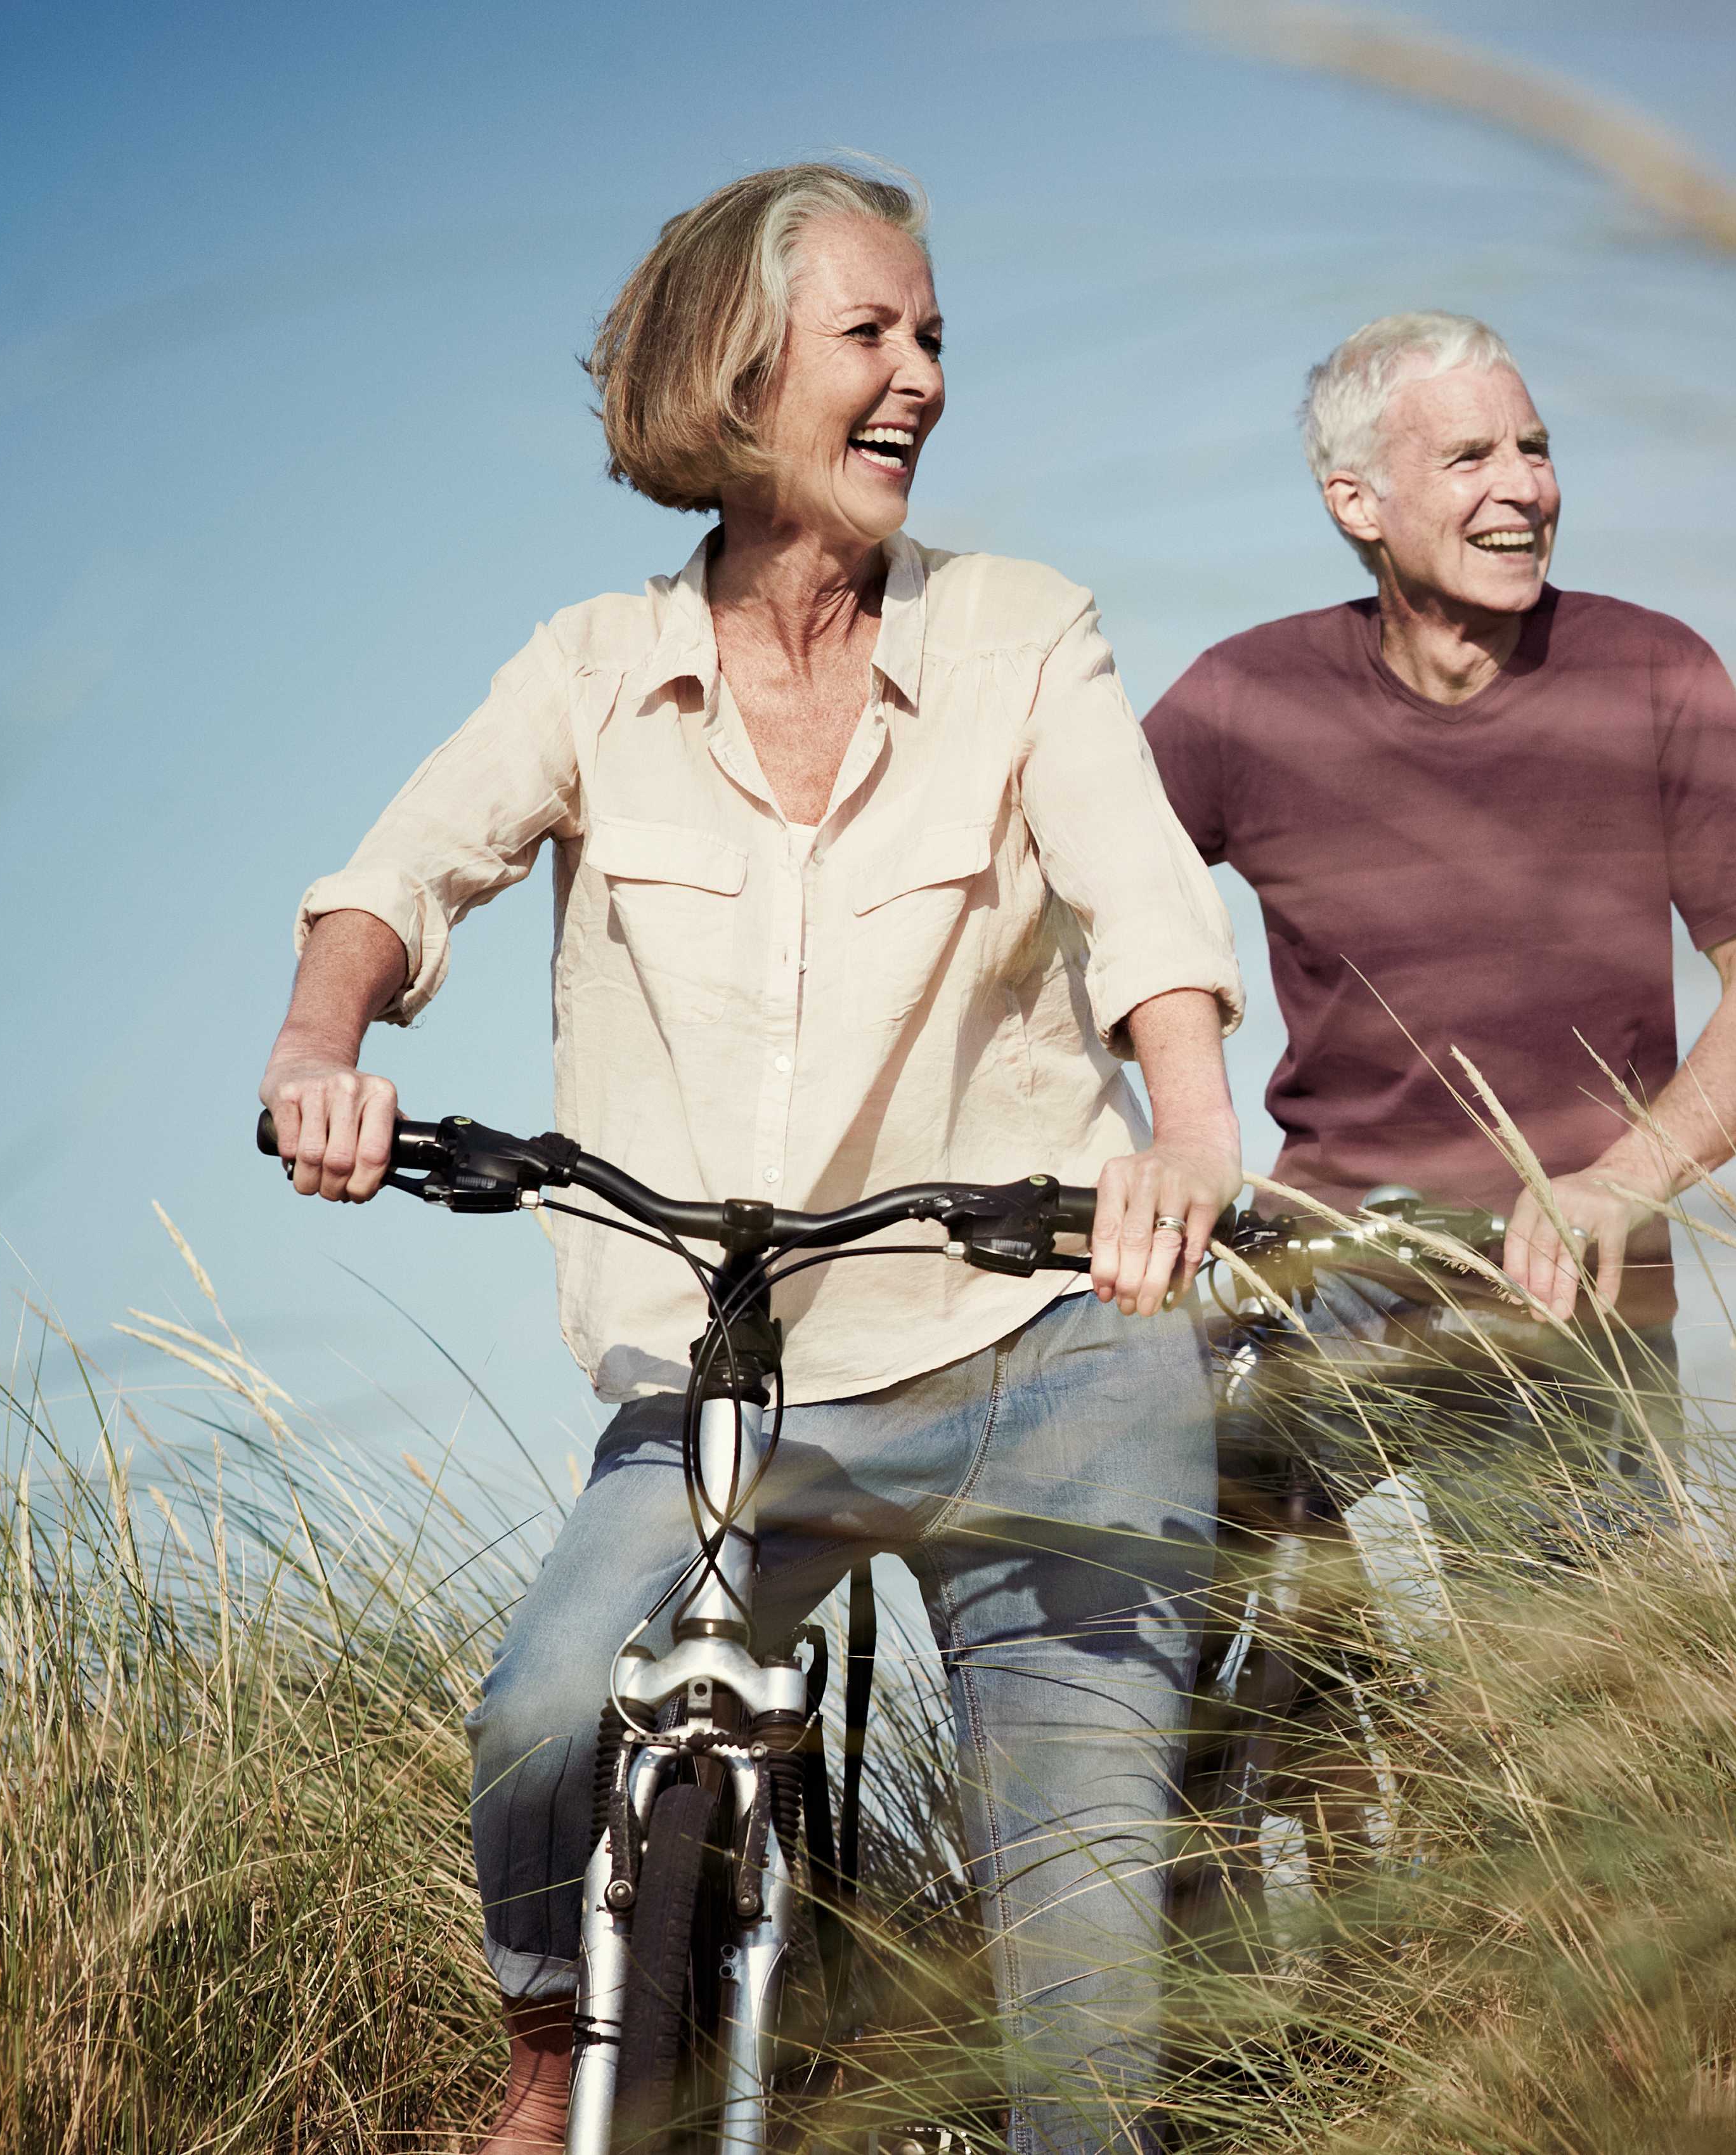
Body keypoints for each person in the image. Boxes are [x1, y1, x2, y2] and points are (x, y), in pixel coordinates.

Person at [258, 164, 1241, 2155]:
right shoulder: (591, 669)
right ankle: (565, 2045)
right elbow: (398, 873)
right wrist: (320, 1044)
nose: (923, 380)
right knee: (549, 1717)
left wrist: (1192, 1123)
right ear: (738, 366)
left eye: (935, 337)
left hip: (1045, 1346)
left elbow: (1145, 905)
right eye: (874, 334)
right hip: (733, 1387)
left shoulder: (1023, 632)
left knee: (1080, 2005)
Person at [1140, 310, 1736, 1506]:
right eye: (1470, 458)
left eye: (1536, 447)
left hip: (1566, 1281)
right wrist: (1174, 1135)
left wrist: (1621, 1182)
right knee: (1164, 1537)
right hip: (1326, 1260)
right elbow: (1082, 902)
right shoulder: (1243, 699)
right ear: (1358, 504)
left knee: (1562, 1685)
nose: (1525, 487)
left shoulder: (1656, 672)